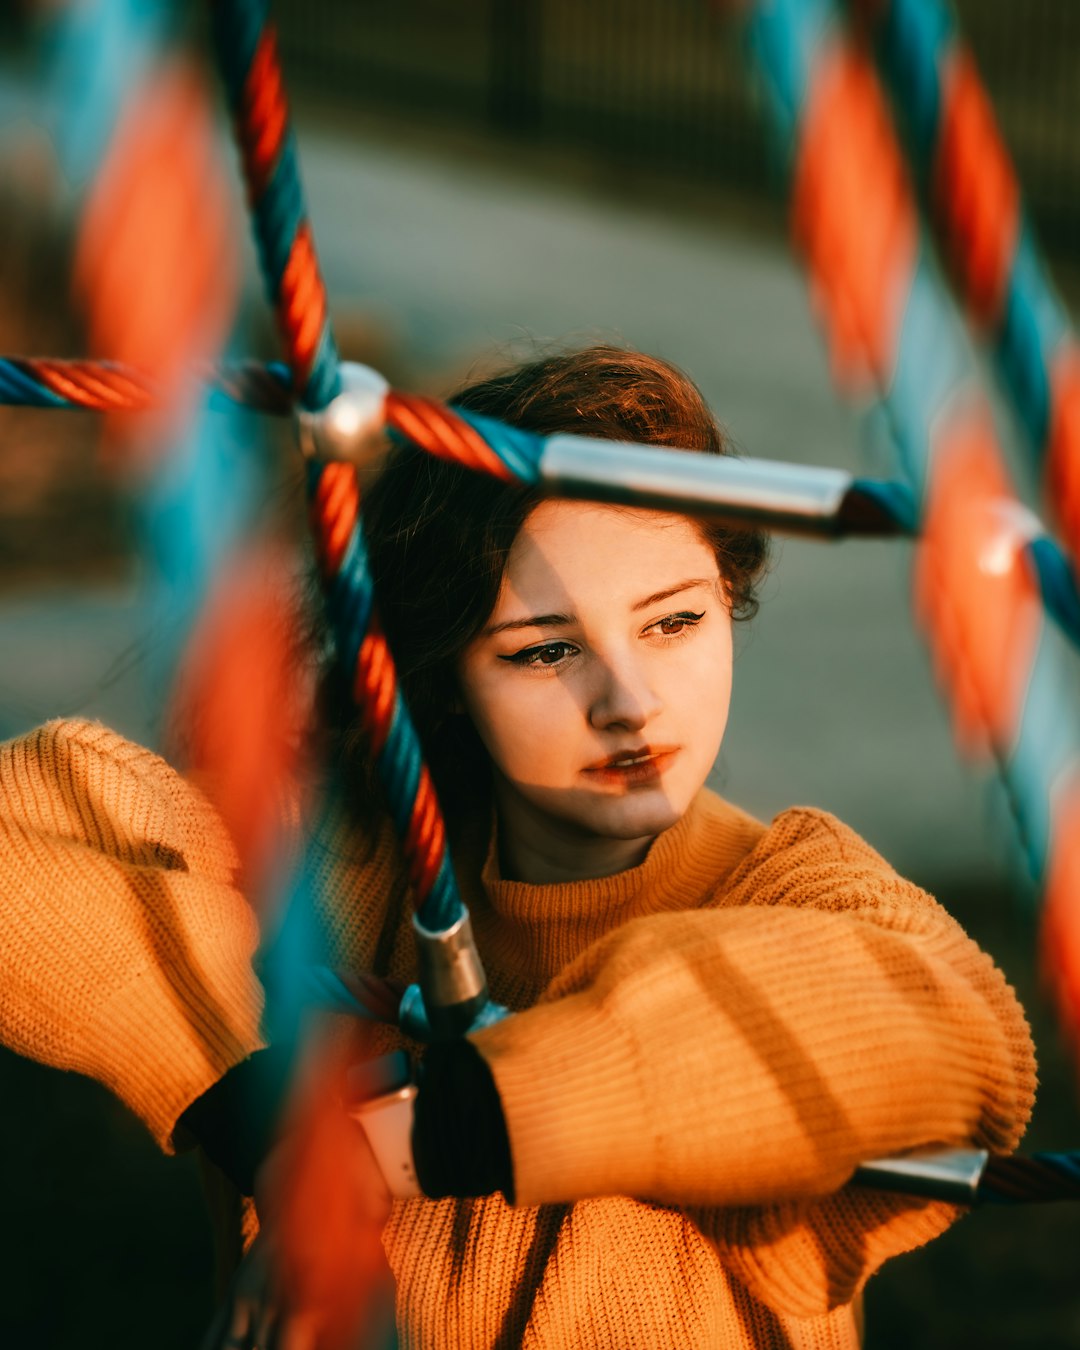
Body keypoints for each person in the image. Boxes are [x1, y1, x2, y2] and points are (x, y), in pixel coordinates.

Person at [0, 346, 1035, 1349]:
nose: (628, 704)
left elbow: (958, 1037)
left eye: (673, 624)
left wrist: (407, 1143)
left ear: (731, 601)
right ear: (448, 676)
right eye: (546, 651)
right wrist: (251, 1111)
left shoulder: (782, 887)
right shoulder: (343, 872)